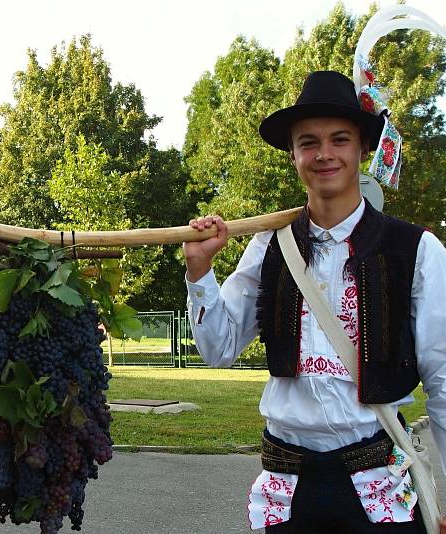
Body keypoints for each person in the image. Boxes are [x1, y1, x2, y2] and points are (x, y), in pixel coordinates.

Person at [182, 70, 446, 533]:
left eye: (339, 139)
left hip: (379, 486)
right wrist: (201, 272)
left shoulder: (417, 249)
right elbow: (217, 349)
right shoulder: (269, 245)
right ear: (293, 155)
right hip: (287, 487)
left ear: (362, 149)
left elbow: (443, 379)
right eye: (308, 142)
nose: (324, 154)